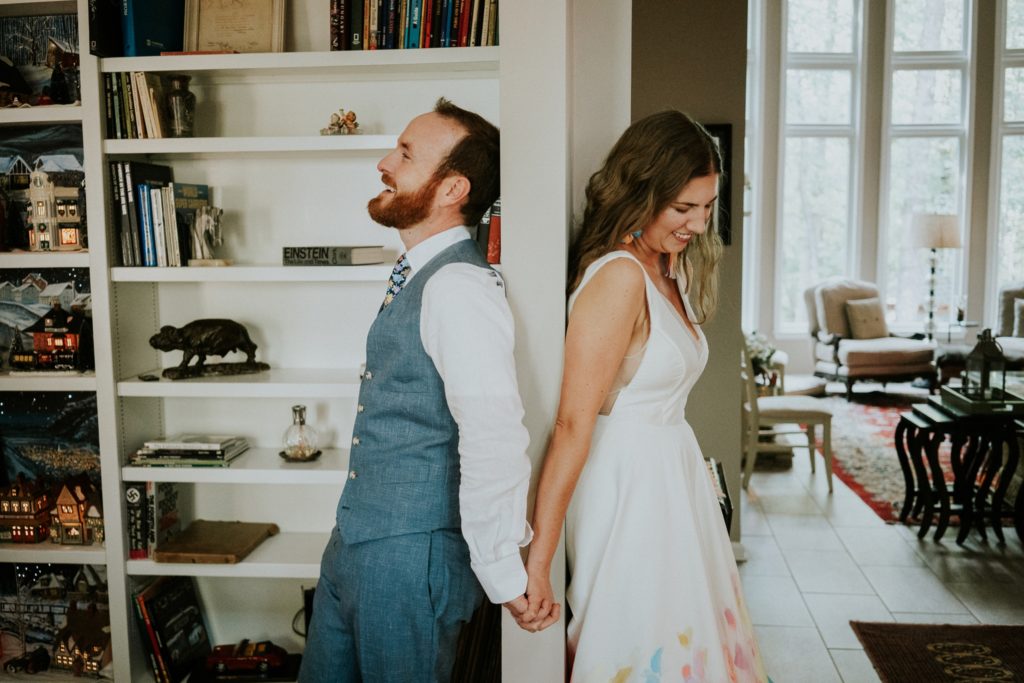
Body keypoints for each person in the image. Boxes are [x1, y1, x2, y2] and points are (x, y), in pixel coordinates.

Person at [520, 111, 769, 683]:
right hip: (627, 487)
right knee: (641, 636)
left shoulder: (665, 268)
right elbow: (571, 424)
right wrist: (538, 561)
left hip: (671, 478)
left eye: (707, 207)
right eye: (684, 208)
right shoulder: (618, 278)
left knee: (688, 636)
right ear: (641, 192)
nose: (700, 224)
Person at [298, 98, 534, 683]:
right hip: (354, 546)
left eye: (405, 153)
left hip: (409, 563)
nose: (385, 162)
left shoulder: (459, 287)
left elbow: (494, 436)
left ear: (453, 188)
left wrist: (502, 571)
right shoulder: (420, 275)